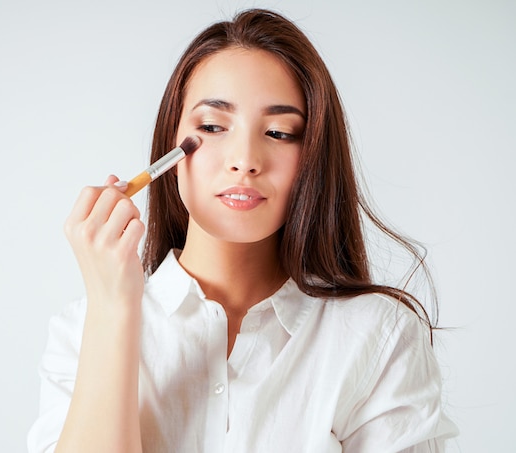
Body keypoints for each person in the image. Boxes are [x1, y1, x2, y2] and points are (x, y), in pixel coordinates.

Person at [27, 8, 457, 453]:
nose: (245, 158)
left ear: (313, 157)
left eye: (278, 132)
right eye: (212, 127)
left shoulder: (377, 337)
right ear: (170, 147)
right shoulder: (81, 332)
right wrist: (113, 306)